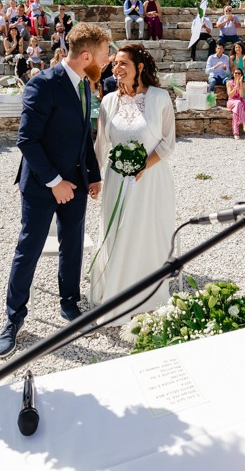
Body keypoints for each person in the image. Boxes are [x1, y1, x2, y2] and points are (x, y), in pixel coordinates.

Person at [0, 24, 109, 358]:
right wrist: (54, 182)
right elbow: (27, 140)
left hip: (75, 181)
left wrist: (93, 174)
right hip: (43, 186)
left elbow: (83, 135)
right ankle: (14, 318)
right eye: (103, 56)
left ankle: (69, 303)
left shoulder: (85, 86)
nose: (106, 61)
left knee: (72, 245)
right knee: (28, 248)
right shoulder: (42, 84)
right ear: (86, 56)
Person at [90, 44, 175, 321]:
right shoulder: (108, 102)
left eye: (123, 63)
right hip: (117, 179)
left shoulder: (160, 98)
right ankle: (115, 288)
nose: (116, 69)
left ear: (139, 67)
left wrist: (142, 166)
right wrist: (94, 178)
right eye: (114, 64)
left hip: (150, 181)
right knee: (118, 230)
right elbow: (101, 145)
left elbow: (167, 143)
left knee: (146, 231)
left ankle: (148, 290)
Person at [226, 68, 245, 138]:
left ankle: (236, 133)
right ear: (233, 74)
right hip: (231, 101)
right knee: (238, 103)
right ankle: (244, 123)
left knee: (236, 111)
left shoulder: (243, 83)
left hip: (240, 101)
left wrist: (239, 83)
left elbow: (242, 95)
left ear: (241, 75)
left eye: (239, 73)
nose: (237, 74)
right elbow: (230, 95)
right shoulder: (229, 83)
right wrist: (236, 86)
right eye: (235, 73)